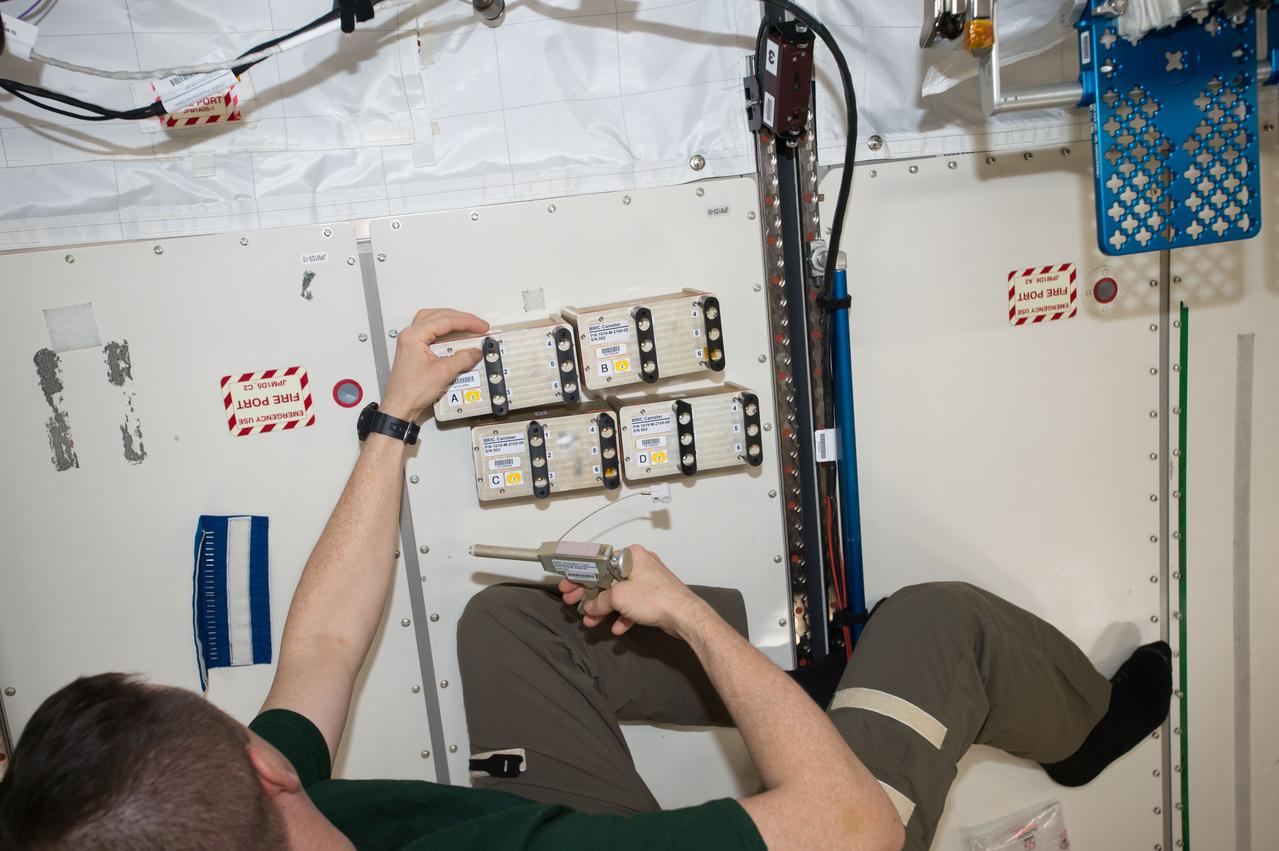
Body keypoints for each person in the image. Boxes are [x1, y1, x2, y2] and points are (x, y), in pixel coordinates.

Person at [0, 308, 904, 851]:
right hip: (832, 828)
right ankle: (1025, 736)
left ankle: (785, 694)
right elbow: (857, 828)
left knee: (504, 625)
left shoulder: (272, 808)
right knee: (936, 628)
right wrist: (694, 621)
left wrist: (394, 418)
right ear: (264, 766)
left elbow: (323, 646)